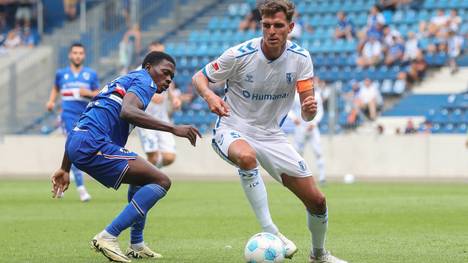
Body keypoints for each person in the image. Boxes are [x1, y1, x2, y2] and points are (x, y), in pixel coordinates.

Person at [192, 1, 347, 262]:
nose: (271, 31)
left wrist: (310, 108)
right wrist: (209, 97)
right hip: (233, 126)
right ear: (260, 24)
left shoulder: (301, 58)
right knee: (246, 157)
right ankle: (271, 230)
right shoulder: (239, 54)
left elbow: (309, 114)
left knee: (317, 201)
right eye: (266, 25)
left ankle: (319, 255)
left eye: (278, 25)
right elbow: (199, 77)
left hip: (272, 136)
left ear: (290, 27)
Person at [50, 51, 201, 262]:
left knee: (143, 179)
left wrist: (65, 168)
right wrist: (173, 128)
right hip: (94, 144)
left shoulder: (124, 81)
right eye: (165, 73)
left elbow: (83, 122)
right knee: (162, 181)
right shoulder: (144, 81)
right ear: (148, 67)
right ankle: (108, 236)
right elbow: (127, 111)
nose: (168, 79)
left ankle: (137, 245)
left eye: (172, 77)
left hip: (80, 140)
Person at [46, 43, 99, 202]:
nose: (77, 55)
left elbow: (97, 94)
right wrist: (51, 101)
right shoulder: (61, 74)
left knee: (79, 151)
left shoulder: (90, 74)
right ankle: (82, 189)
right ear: (70, 55)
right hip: (67, 116)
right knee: (72, 149)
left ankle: (64, 179)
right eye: (75, 53)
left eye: (80, 53)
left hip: (85, 117)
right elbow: (56, 88)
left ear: (84, 56)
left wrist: (88, 93)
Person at [136, 42, 181, 168]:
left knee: (169, 157)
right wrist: (150, 95)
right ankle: (145, 180)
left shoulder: (166, 70)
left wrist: (174, 99)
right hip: (145, 120)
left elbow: (170, 86)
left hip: (162, 118)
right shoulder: (140, 71)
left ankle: (149, 174)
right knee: (153, 156)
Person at [289, 77, 326, 184]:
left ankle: (322, 177)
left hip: (312, 128)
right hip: (300, 127)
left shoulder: (316, 95)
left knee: (318, 151)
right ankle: (297, 176)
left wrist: (314, 123)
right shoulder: (294, 95)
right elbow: (289, 109)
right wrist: (293, 118)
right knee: (297, 153)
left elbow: (320, 112)